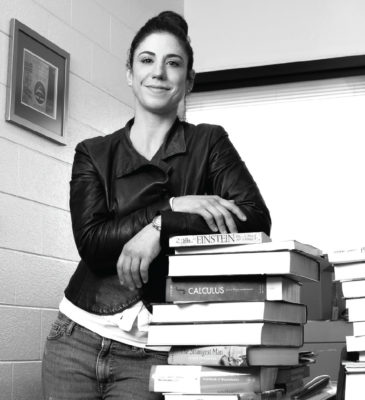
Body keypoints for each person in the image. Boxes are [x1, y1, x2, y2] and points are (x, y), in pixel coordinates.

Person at [42, 10, 271, 400]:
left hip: (154, 351)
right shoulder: (93, 153)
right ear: (130, 73)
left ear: (189, 80)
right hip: (75, 339)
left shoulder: (209, 143)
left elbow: (254, 219)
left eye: (173, 63)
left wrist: (163, 228)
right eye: (147, 60)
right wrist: (173, 206)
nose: (159, 73)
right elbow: (94, 246)